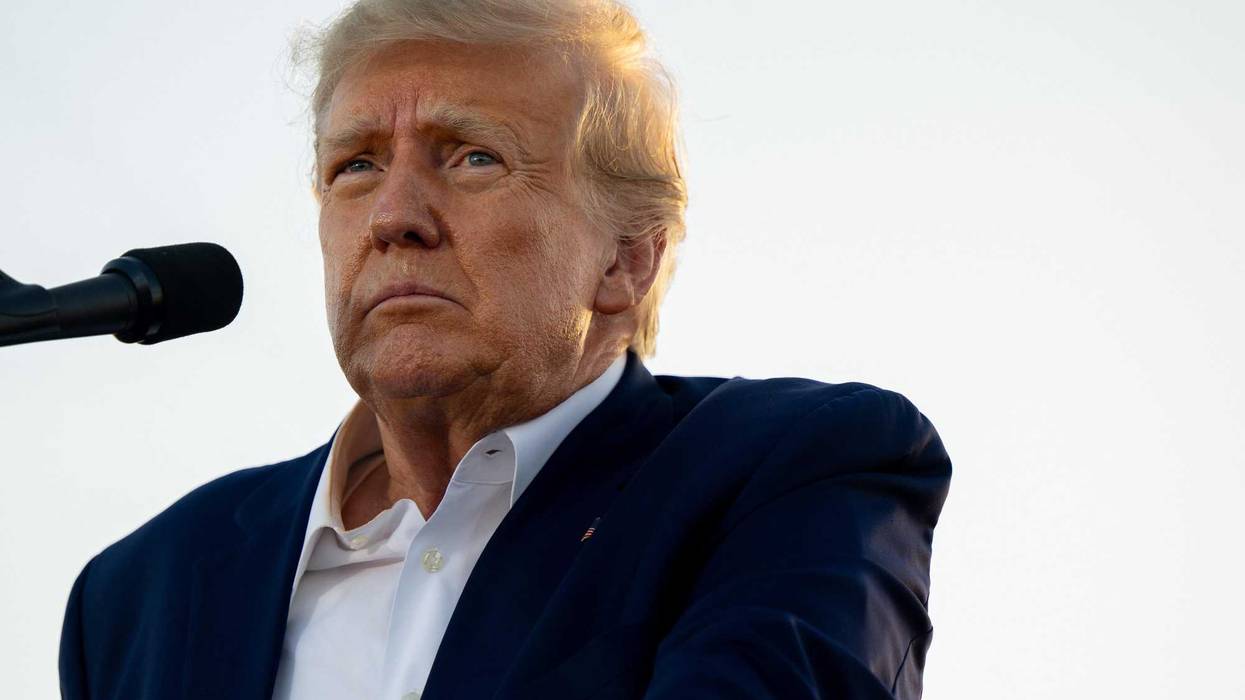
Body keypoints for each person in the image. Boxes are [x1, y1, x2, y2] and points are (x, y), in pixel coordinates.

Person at [57, 1, 952, 698]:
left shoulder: (794, 470)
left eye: (472, 157)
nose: (393, 217)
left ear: (625, 258)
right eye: (355, 166)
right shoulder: (143, 589)